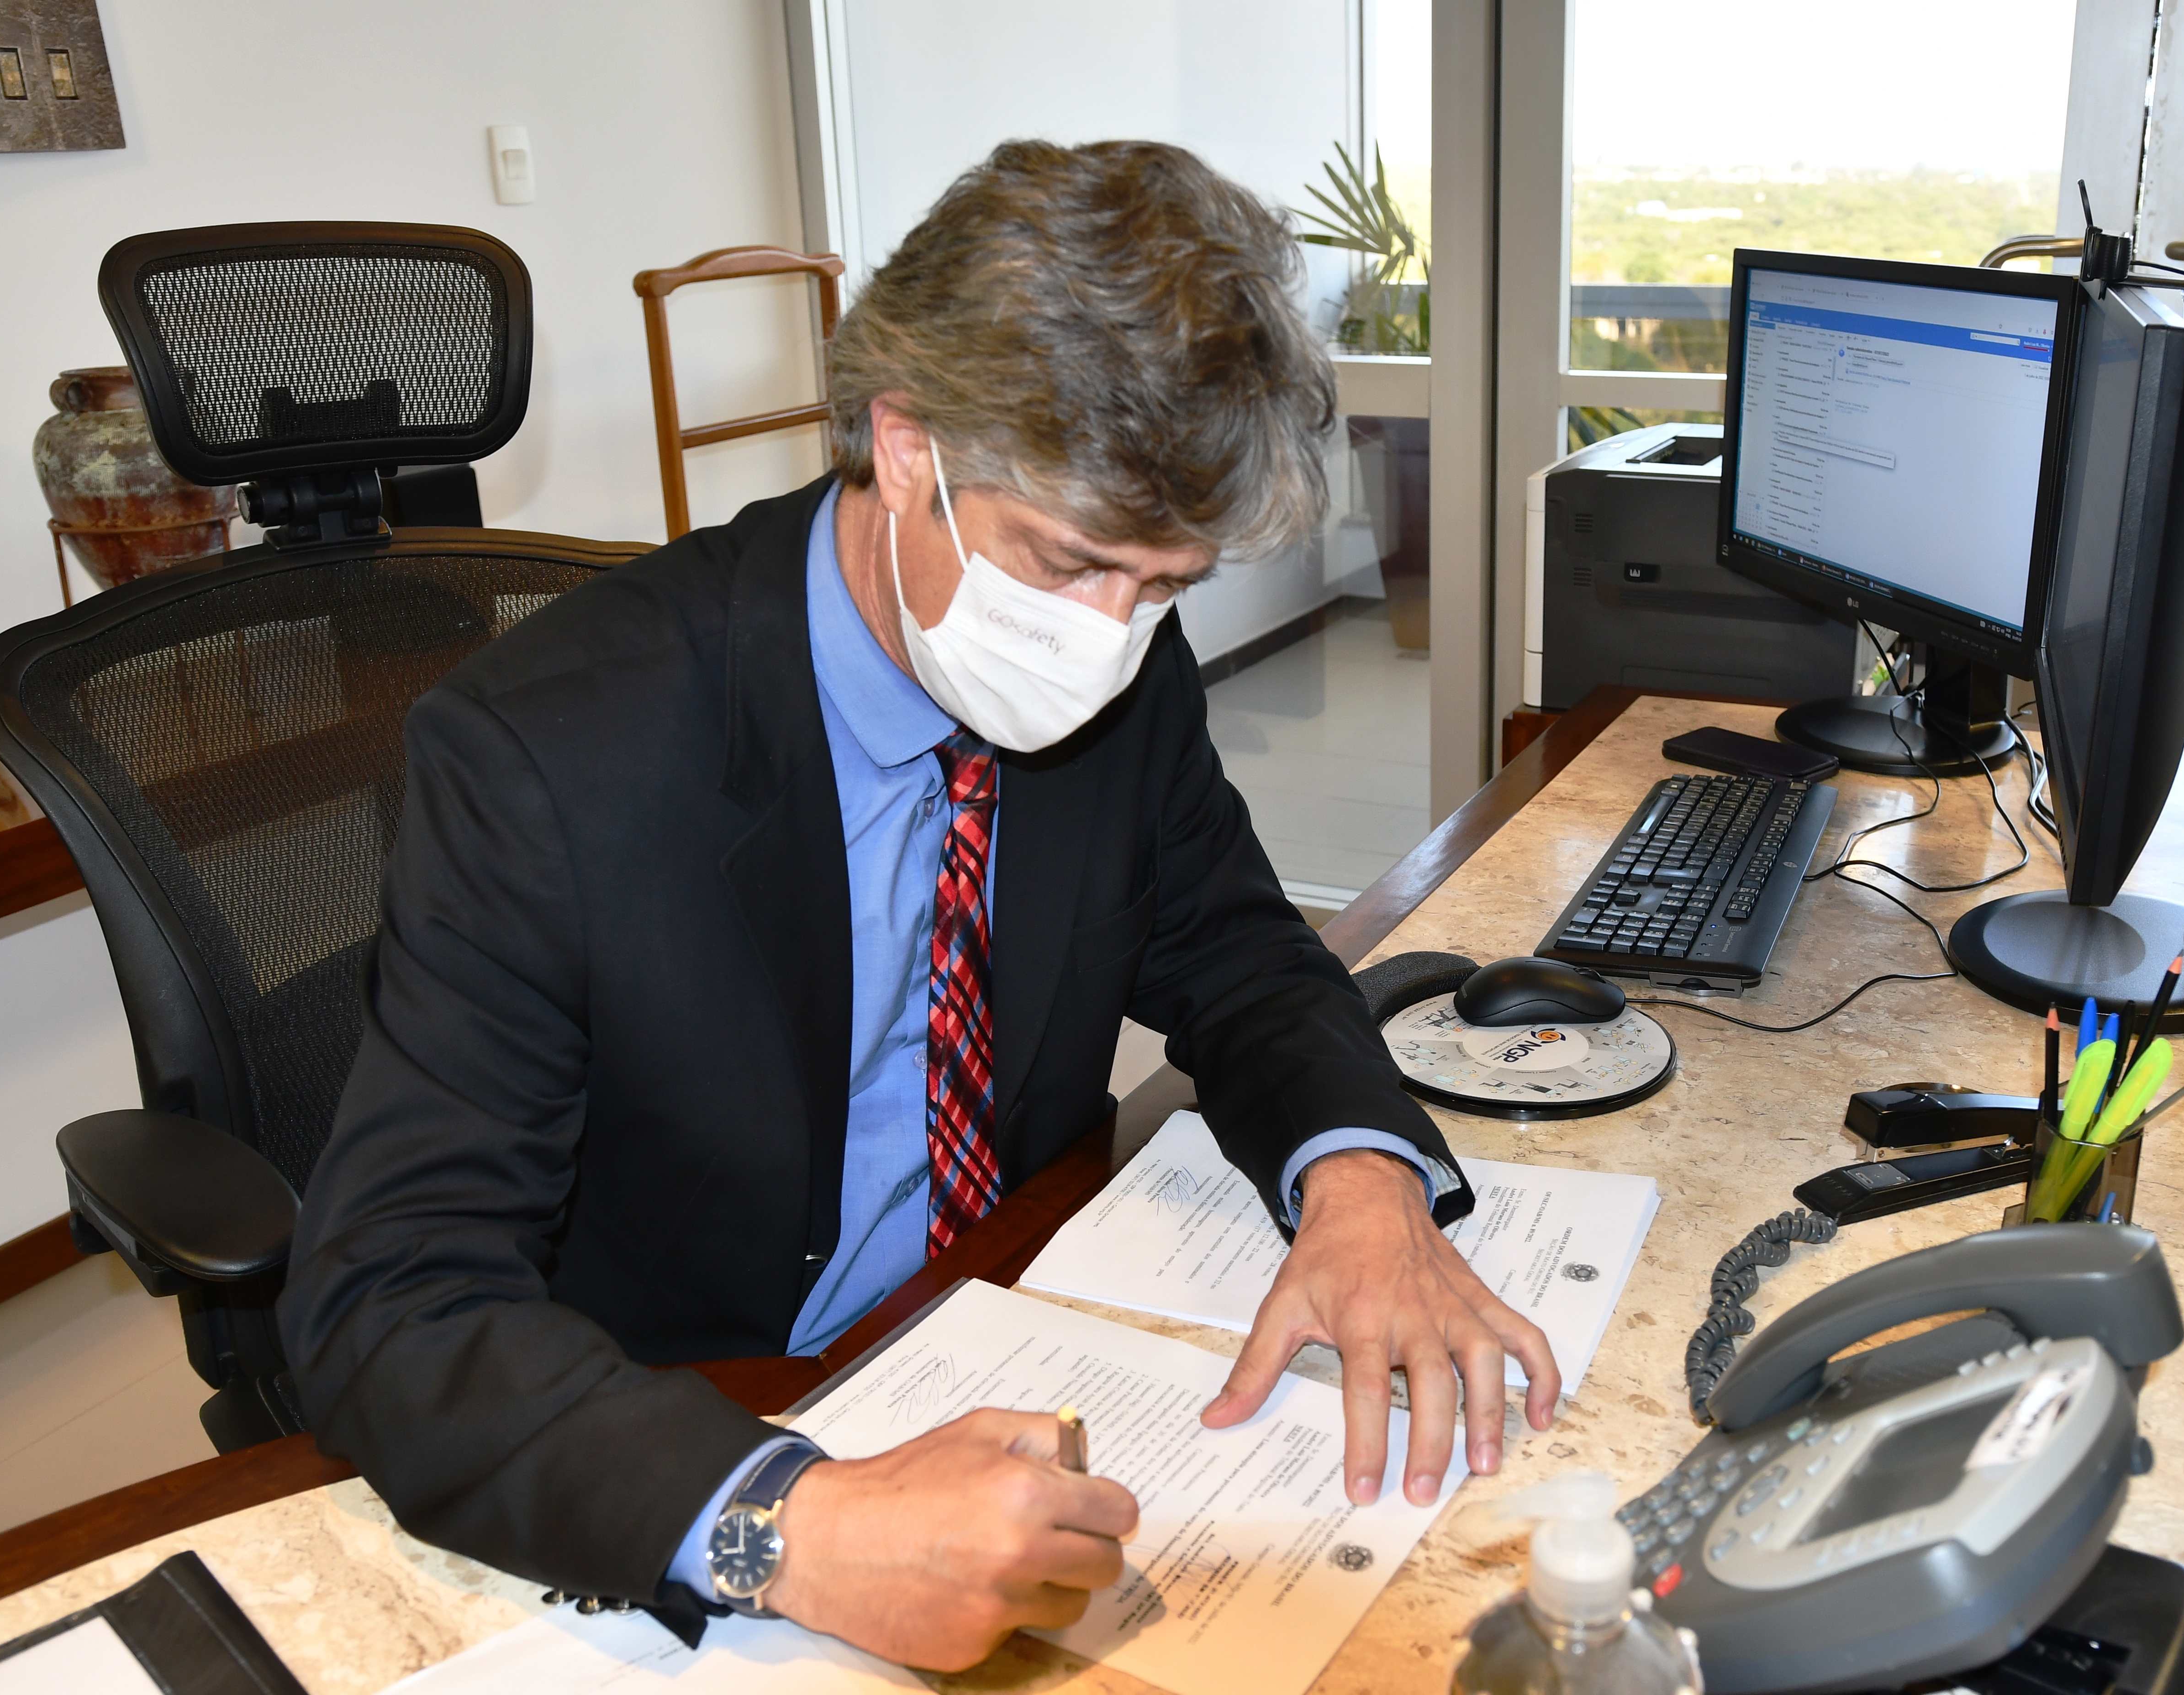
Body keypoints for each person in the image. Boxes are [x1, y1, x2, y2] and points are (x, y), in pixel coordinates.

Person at [279, 139, 1559, 1672]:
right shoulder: (549, 756)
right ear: (905, 446)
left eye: (1163, 587)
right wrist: (782, 1522)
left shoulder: (1115, 670)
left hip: (992, 1321)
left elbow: (1233, 949)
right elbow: (391, 1302)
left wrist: (1361, 1182)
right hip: (690, 1409)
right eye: (1072, 564)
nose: (1109, 638)